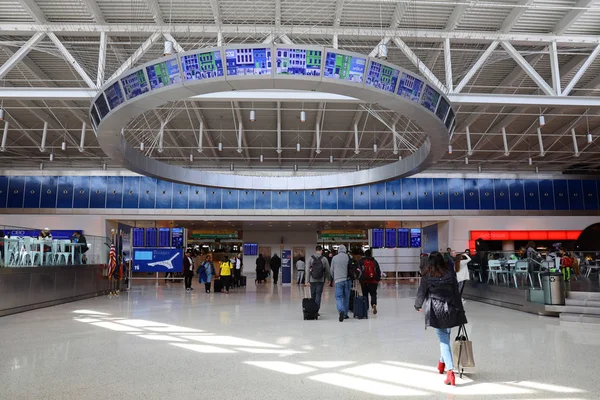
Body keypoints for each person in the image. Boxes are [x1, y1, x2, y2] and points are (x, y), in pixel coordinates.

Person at [414, 252, 467, 386]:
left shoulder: (427, 275)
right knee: (446, 335)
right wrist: (460, 309)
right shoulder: (450, 274)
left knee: (443, 339)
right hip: (450, 308)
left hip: (436, 310)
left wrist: (418, 305)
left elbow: (422, 291)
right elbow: (456, 292)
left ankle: (450, 371)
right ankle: (441, 363)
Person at [306, 245, 330, 313]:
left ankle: (312, 310)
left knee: (313, 295)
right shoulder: (324, 259)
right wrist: (328, 279)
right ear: (321, 251)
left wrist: (307, 281)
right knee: (318, 295)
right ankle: (316, 311)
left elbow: (307, 270)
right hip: (321, 280)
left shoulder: (310, 258)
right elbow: (328, 270)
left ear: (315, 250)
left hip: (312, 280)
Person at [331, 245, 352, 322]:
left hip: (338, 280)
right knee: (346, 298)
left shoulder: (334, 258)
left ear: (338, 250)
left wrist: (334, 278)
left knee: (338, 297)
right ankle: (345, 314)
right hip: (348, 280)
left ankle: (341, 310)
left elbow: (331, 270)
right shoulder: (349, 257)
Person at [359, 249, 382, 315]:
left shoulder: (361, 262)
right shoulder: (374, 261)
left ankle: (366, 307)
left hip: (364, 281)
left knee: (365, 294)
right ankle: (374, 304)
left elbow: (358, 270)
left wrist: (360, 279)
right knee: (373, 294)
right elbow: (378, 271)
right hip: (373, 281)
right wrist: (378, 279)